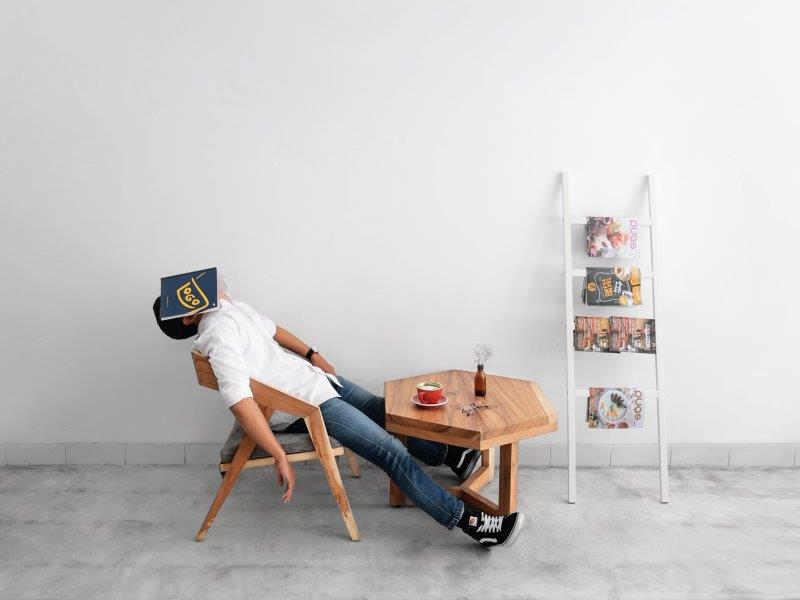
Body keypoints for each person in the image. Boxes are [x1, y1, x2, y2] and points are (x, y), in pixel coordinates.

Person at [152, 292, 525, 549]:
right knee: (391, 452)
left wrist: (314, 355)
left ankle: (449, 455)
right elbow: (239, 401)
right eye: (187, 292)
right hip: (307, 406)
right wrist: (278, 454)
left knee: (384, 409)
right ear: (187, 315)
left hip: (314, 381)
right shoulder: (217, 335)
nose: (201, 286)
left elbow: (273, 330)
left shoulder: (226, 309)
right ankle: (472, 524)